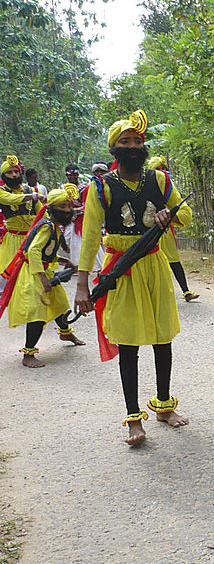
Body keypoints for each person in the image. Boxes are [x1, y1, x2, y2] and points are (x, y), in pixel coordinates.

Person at [74, 110, 193, 446]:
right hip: (121, 270)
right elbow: (91, 238)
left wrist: (171, 215)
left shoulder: (158, 180)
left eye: (138, 141)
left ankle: (164, 406)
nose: (133, 146)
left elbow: (186, 214)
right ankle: (133, 419)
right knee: (128, 344)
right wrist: (83, 284)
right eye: (125, 141)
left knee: (162, 338)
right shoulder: (101, 187)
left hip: (153, 265)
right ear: (114, 148)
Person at [1, 184, 84, 366]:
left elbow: (46, 251)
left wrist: (64, 261)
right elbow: (33, 252)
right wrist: (43, 278)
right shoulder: (48, 226)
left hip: (41, 269)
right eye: (63, 207)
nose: (68, 210)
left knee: (59, 304)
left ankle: (66, 333)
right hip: (32, 273)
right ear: (52, 208)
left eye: (69, 206)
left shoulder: (53, 225)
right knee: (37, 312)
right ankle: (28, 354)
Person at [146, 156, 199, 302]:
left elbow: (184, 213)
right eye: (157, 169)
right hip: (147, 233)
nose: (161, 172)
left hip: (165, 232)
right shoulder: (144, 185)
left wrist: (169, 215)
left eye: (163, 169)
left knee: (174, 261)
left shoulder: (168, 188)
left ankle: (186, 291)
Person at [0, 155, 44, 281]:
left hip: (32, 239)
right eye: (9, 172)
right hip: (13, 239)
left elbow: (41, 212)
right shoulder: (2, 191)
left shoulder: (29, 190)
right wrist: (32, 196)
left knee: (34, 274)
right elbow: (10, 199)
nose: (14, 175)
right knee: (13, 274)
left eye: (16, 171)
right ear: (4, 176)